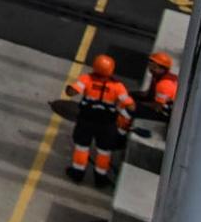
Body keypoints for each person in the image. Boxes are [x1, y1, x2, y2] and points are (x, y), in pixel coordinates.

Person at [64, 53, 135, 186]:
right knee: (104, 151)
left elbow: (71, 92)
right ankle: (100, 179)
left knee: (82, 147)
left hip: (86, 119)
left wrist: (70, 88)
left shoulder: (86, 79)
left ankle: (77, 174)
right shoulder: (118, 86)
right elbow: (131, 106)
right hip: (107, 123)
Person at [143, 51, 179, 118]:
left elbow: (158, 106)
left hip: (169, 112)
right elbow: (149, 95)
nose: (150, 69)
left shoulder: (164, 84)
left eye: (154, 67)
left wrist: (138, 104)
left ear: (163, 69)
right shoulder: (157, 77)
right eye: (150, 65)